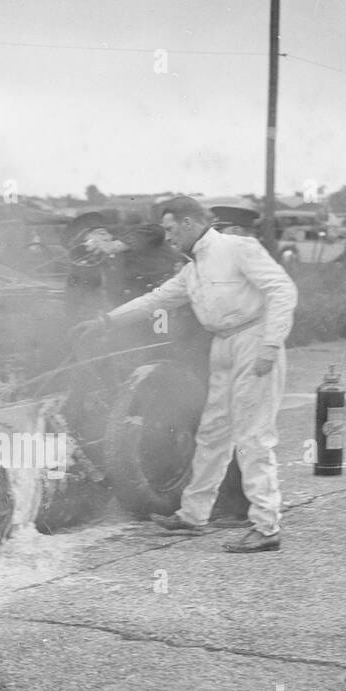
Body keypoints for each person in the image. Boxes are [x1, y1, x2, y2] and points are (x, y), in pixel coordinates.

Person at [76, 196, 297, 553]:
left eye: (170, 229)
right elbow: (156, 300)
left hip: (254, 340)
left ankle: (267, 527)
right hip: (224, 344)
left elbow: (282, 289)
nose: (167, 237)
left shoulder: (239, 248)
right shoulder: (193, 270)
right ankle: (193, 515)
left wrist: (271, 344)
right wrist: (106, 321)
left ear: (190, 223)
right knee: (212, 433)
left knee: (253, 435)